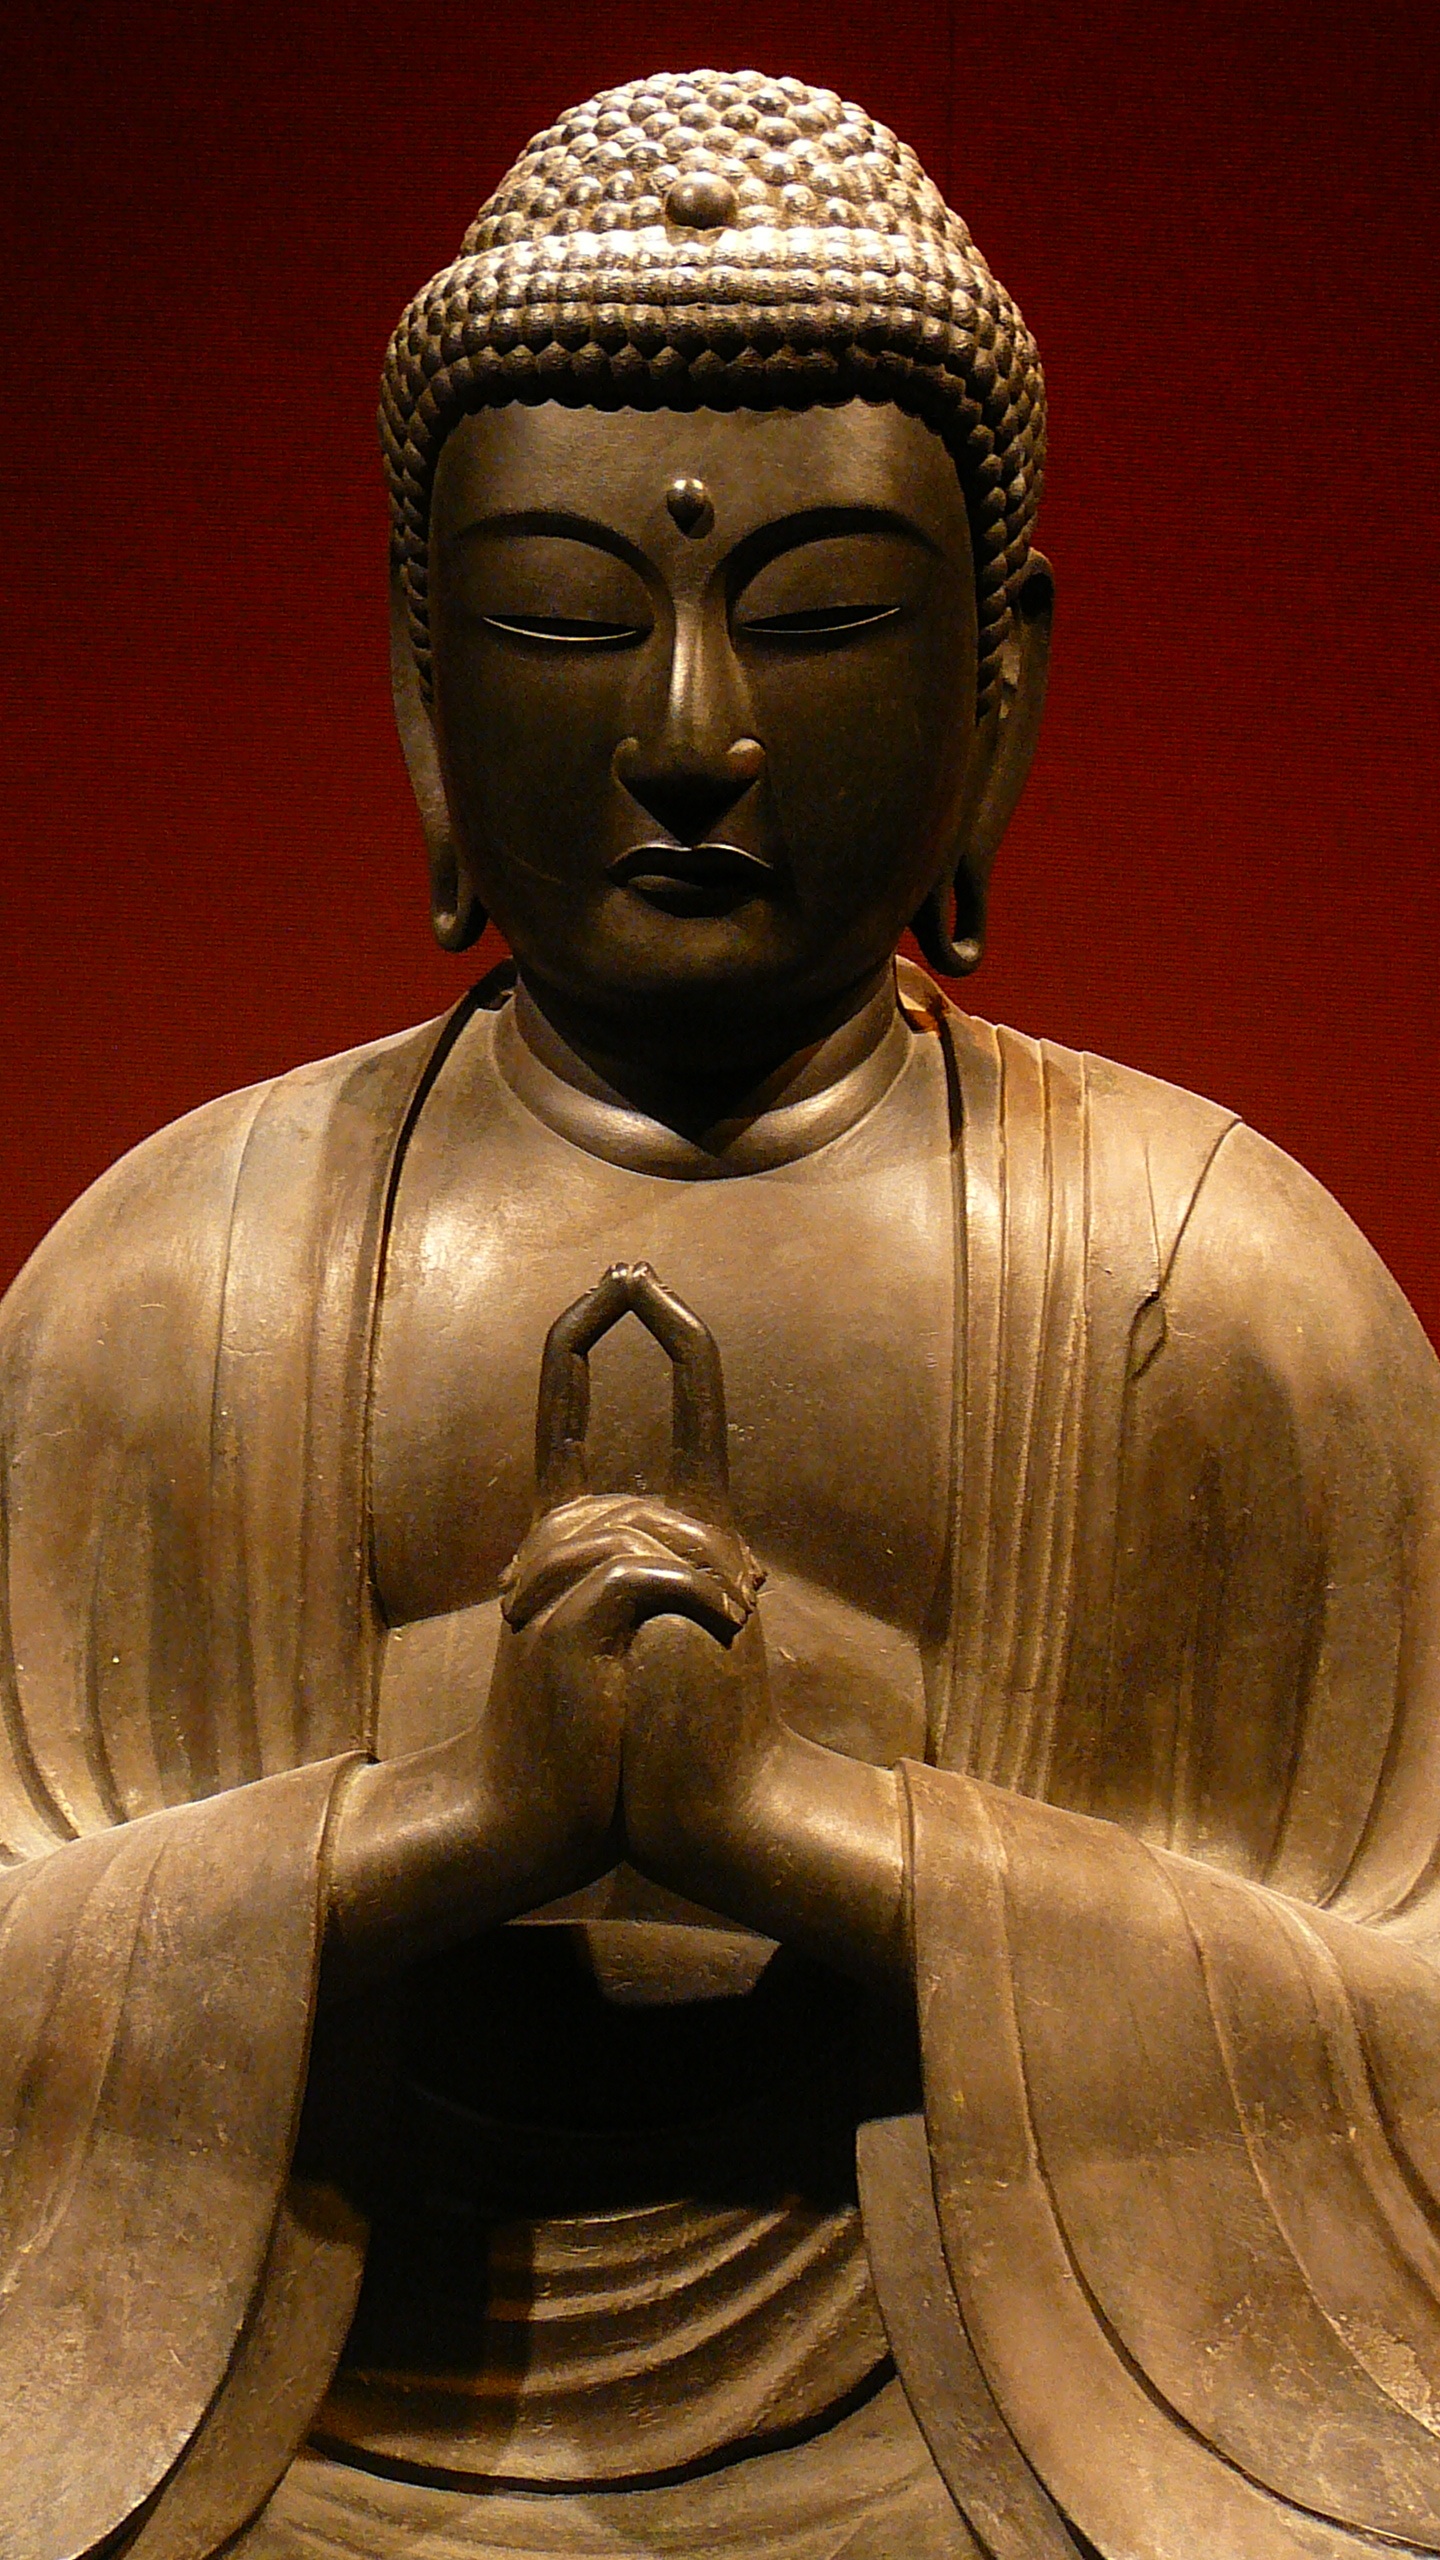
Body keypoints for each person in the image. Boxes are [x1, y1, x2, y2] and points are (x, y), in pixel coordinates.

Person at [3, 67, 1440, 2560]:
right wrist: (448, 1829)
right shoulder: (168, 1282)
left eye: (824, 617)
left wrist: (810, 1834)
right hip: (302, 2429)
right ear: (424, 687)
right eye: (567, 616)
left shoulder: (1216, 1285)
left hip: (1016, 2436)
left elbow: (1409, 2019)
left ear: (1000, 687)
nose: (690, 732)